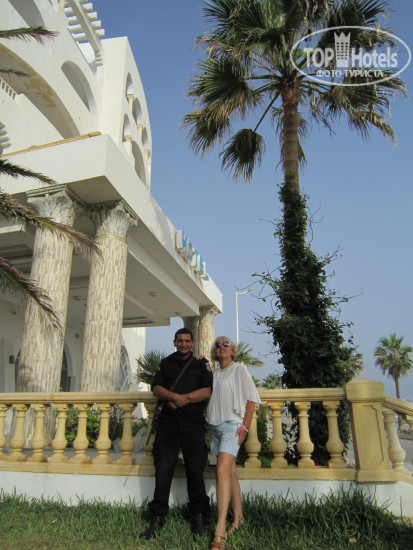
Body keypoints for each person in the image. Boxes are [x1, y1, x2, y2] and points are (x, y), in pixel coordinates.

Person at [139, 328, 212, 540]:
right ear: (174, 342)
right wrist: (173, 397)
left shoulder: (201, 364)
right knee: (163, 469)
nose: (184, 344)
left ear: (192, 343)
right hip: (168, 424)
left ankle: (198, 516)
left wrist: (183, 399)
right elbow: (156, 389)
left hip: (193, 423)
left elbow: (207, 391)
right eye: (180, 341)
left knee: (195, 469)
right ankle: (158, 517)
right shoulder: (166, 363)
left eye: (187, 341)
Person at [206, 336, 261, 550]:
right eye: (217, 345)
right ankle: (238, 518)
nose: (221, 347)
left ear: (232, 350)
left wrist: (245, 427)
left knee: (221, 470)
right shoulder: (213, 373)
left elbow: (251, 399)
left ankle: (220, 529)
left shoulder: (239, 369)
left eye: (225, 344)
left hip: (232, 426)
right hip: (214, 426)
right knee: (229, 473)